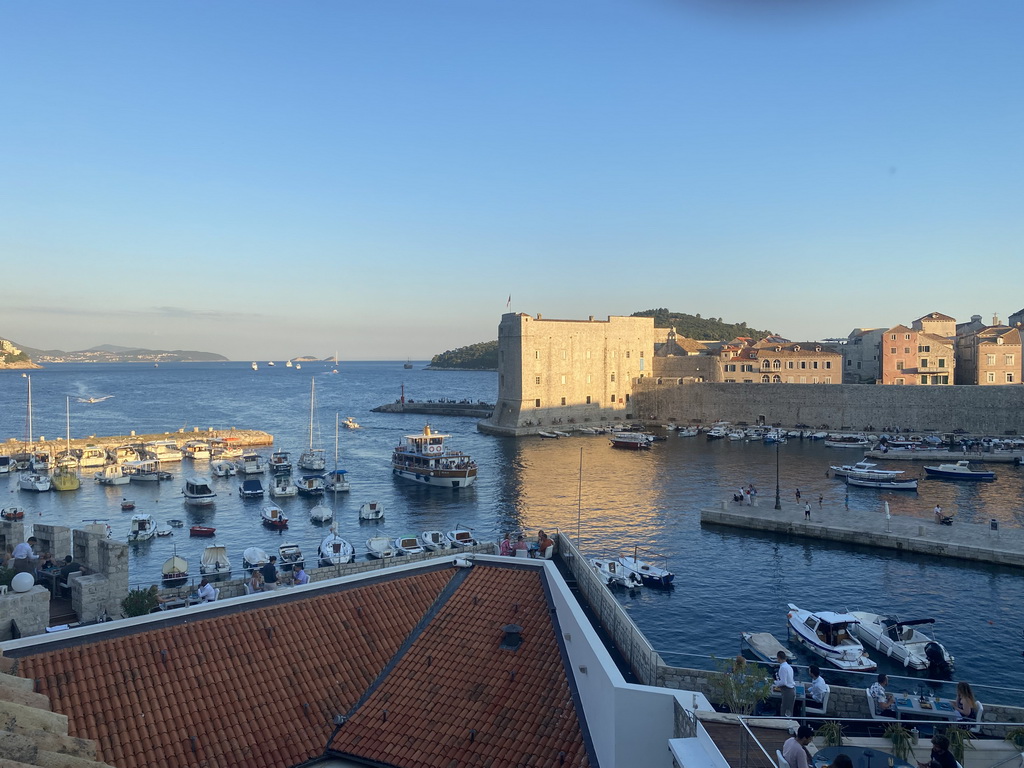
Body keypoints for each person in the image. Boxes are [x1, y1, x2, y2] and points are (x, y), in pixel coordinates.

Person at [773, 650, 796, 717]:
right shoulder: (789, 667)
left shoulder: (783, 668)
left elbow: (783, 682)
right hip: (791, 690)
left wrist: (775, 682)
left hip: (787, 691)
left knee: (785, 711)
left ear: (778, 658)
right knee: (788, 710)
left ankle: (785, 725)